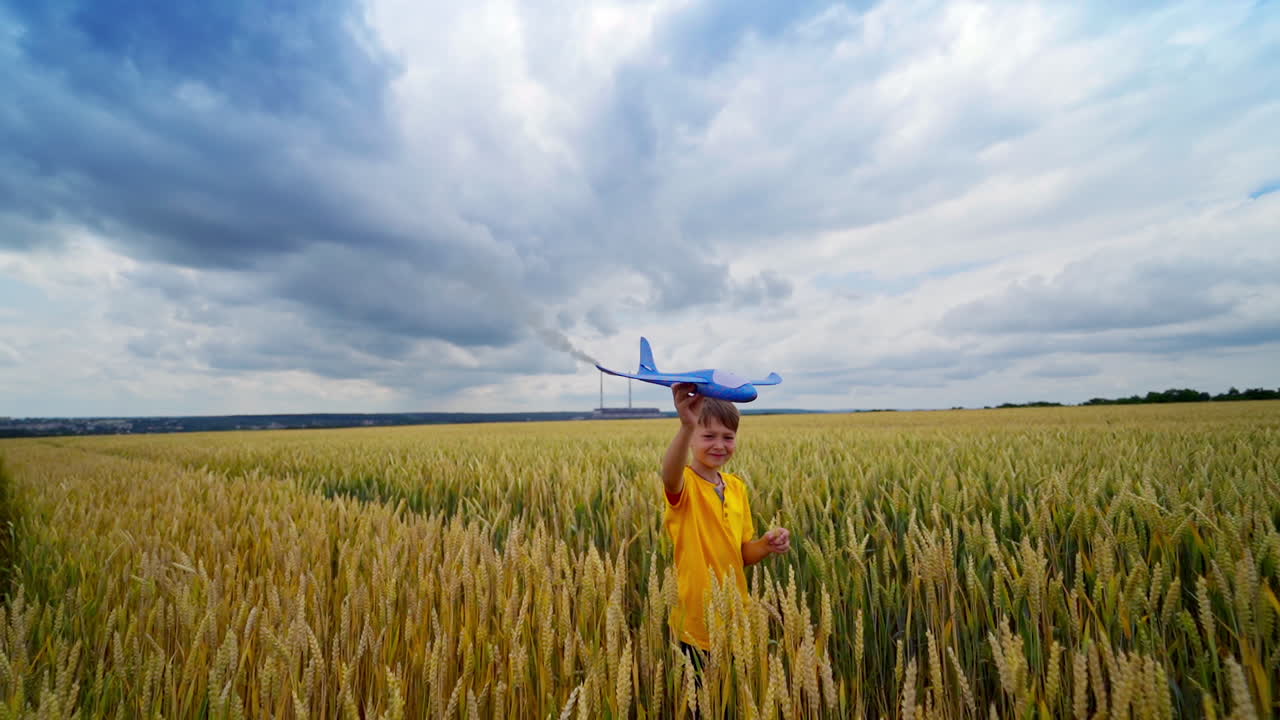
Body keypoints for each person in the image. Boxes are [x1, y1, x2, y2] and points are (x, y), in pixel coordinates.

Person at [662, 382, 791, 663]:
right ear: (692, 440)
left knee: (730, 700)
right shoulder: (686, 487)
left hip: (736, 616)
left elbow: (742, 554)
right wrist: (686, 425)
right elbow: (669, 477)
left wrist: (766, 545)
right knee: (699, 703)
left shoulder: (736, 488)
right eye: (708, 436)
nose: (719, 445)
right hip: (695, 621)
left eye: (728, 437)